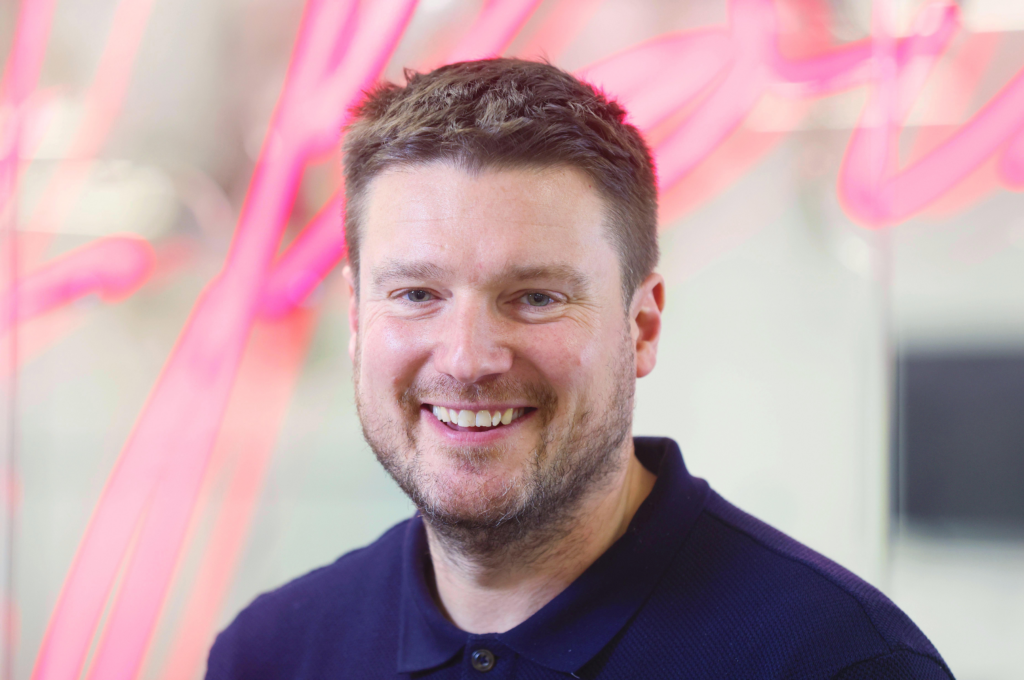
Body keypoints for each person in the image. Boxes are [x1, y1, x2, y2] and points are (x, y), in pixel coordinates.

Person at [206, 58, 953, 680]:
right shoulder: (270, 655)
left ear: (642, 325)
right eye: (416, 295)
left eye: (536, 297)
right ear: (356, 320)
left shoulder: (839, 661)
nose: (467, 358)